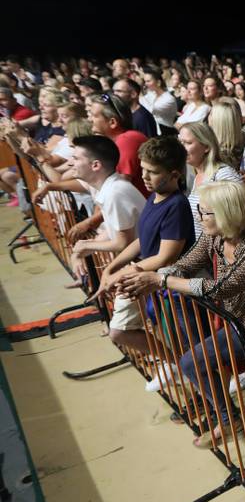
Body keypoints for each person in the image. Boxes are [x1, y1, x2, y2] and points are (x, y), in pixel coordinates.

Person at [121, 181, 245, 446]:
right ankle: (228, 419)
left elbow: (221, 288)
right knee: (192, 363)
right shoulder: (214, 235)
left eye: (205, 212)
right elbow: (186, 264)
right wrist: (153, 276)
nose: (199, 217)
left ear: (228, 213)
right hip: (241, 326)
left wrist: (159, 281)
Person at [93, 136, 194, 366]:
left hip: (174, 292)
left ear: (175, 174)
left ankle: (185, 369)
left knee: (188, 341)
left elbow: (166, 255)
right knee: (171, 337)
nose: (145, 177)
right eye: (143, 169)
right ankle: (177, 365)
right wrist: (112, 267)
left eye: (153, 172)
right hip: (156, 286)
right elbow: (142, 241)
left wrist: (126, 272)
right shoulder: (154, 197)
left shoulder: (176, 205)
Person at [65, 135, 146, 338]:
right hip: (135, 264)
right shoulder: (108, 187)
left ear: (95, 165)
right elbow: (112, 234)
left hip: (142, 265)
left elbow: (122, 242)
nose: (69, 162)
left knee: (119, 332)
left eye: (75, 158)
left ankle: (175, 362)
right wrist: (84, 246)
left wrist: (85, 247)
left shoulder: (115, 193)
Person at [178, 122, 242, 239]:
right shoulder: (196, 174)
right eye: (180, 142)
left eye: (187, 143)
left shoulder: (223, 174)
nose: (180, 148)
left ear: (206, 147)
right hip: (203, 251)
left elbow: (240, 219)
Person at [88, 93, 150, 197]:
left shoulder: (128, 140)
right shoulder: (116, 141)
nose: (89, 119)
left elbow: (119, 188)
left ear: (112, 122)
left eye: (94, 116)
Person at [140, 67, 177, 135]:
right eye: (145, 81)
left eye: (148, 81)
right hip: (152, 129)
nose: (145, 84)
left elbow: (151, 111)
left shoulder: (169, 99)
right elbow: (140, 103)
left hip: (166, 132)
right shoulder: (151, 94)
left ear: (158, 82)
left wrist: (140, 92)